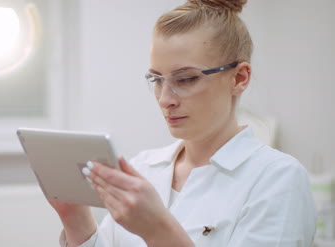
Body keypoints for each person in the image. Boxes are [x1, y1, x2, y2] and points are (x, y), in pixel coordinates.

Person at [50, 0, 317, 246]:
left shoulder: (278, 179)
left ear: (239, 78)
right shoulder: (143, 167)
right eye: (157, 80)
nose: (165, 99)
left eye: (186, 79)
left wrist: (158, 229)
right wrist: (76, 220)